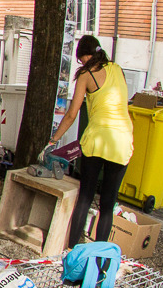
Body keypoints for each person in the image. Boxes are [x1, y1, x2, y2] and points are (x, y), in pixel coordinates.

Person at [48, 35, 134, 248]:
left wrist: (54, 140)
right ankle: (100, 258)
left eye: (81, 59)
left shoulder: (87, 75)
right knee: (107, 205)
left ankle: (73, 250)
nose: (81, 63)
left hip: (97, 140)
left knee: (85, 199)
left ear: (84, 56)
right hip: (122, 141)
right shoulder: (118, 69)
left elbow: (71, 114)